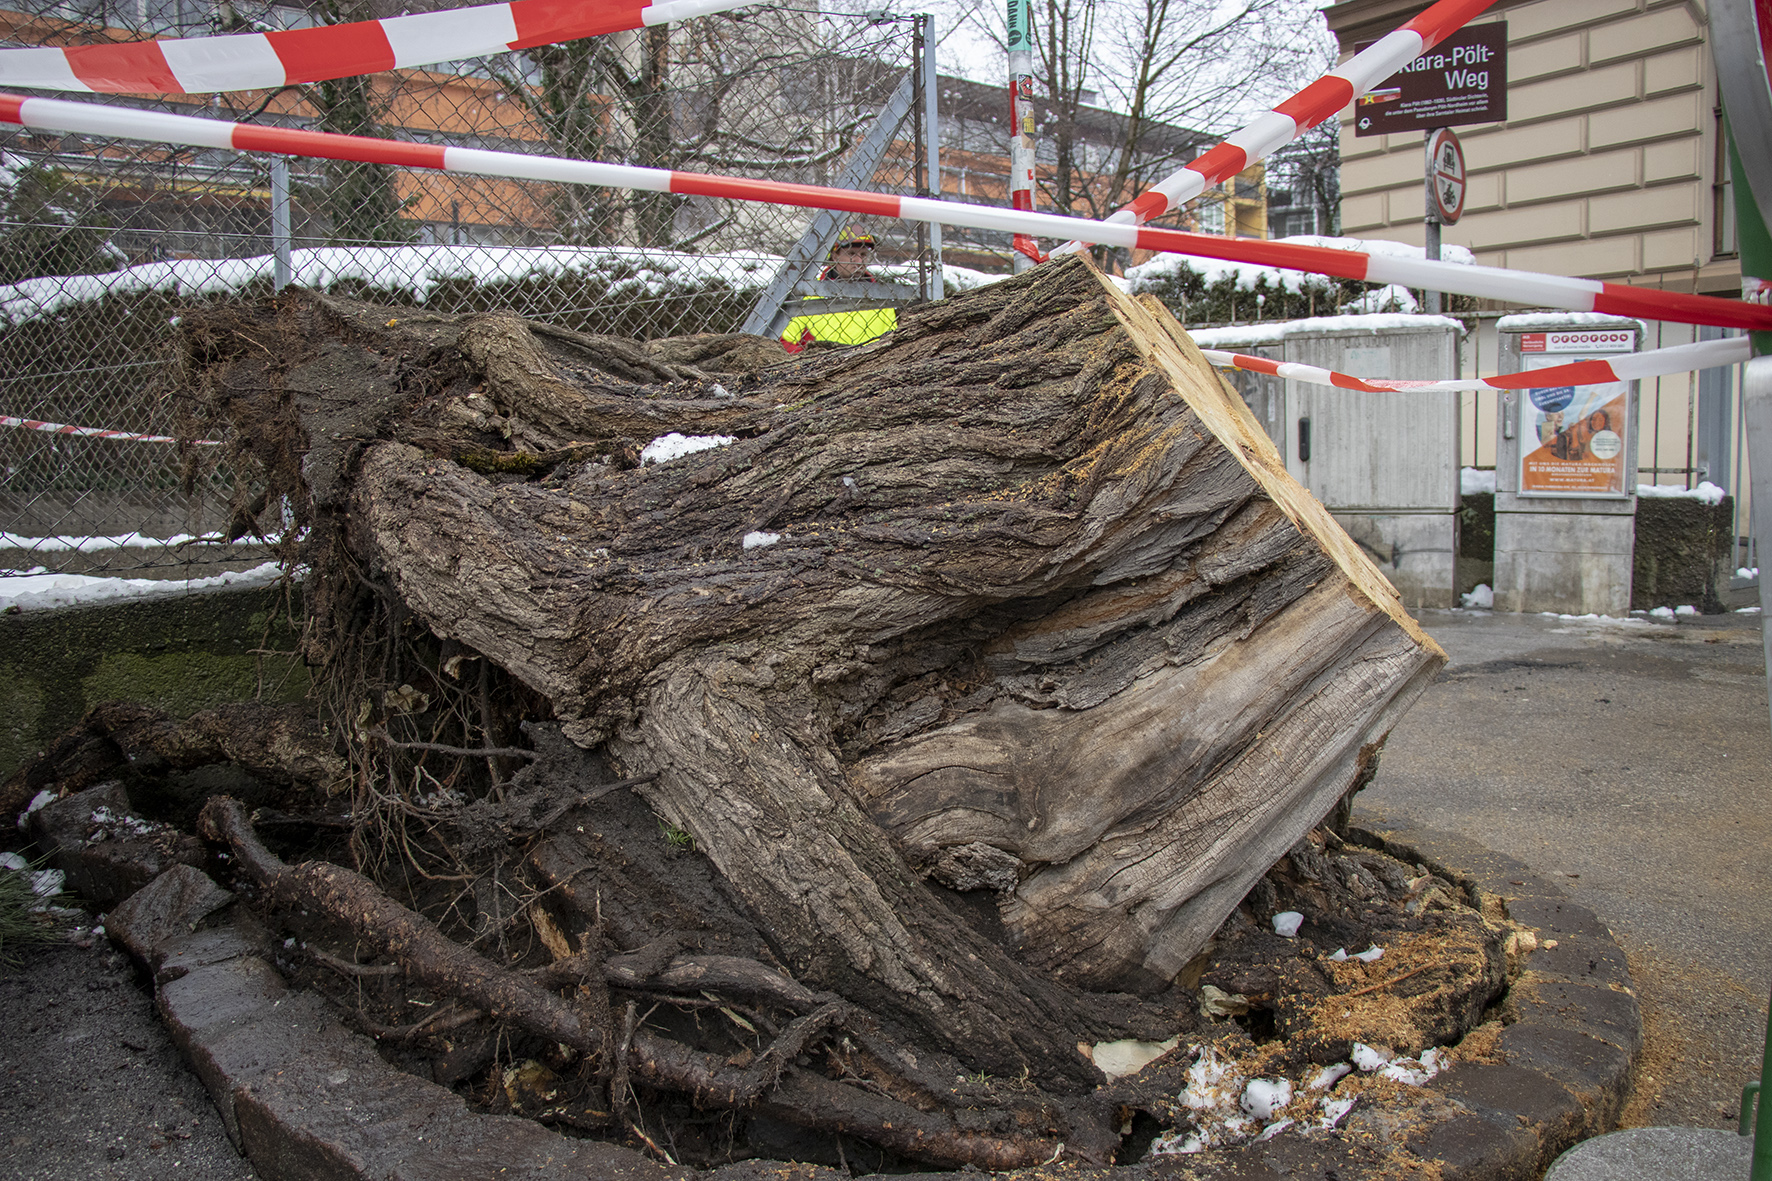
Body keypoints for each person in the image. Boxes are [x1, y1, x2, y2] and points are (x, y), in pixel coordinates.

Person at [781, 226, 898, 351]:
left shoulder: (882, 299)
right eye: (851, 254)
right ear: (835, 256)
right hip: (826, 363)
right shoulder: (811, 296)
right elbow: (786, 342)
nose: (859, 261)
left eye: (863, 254)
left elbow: (893, 343)